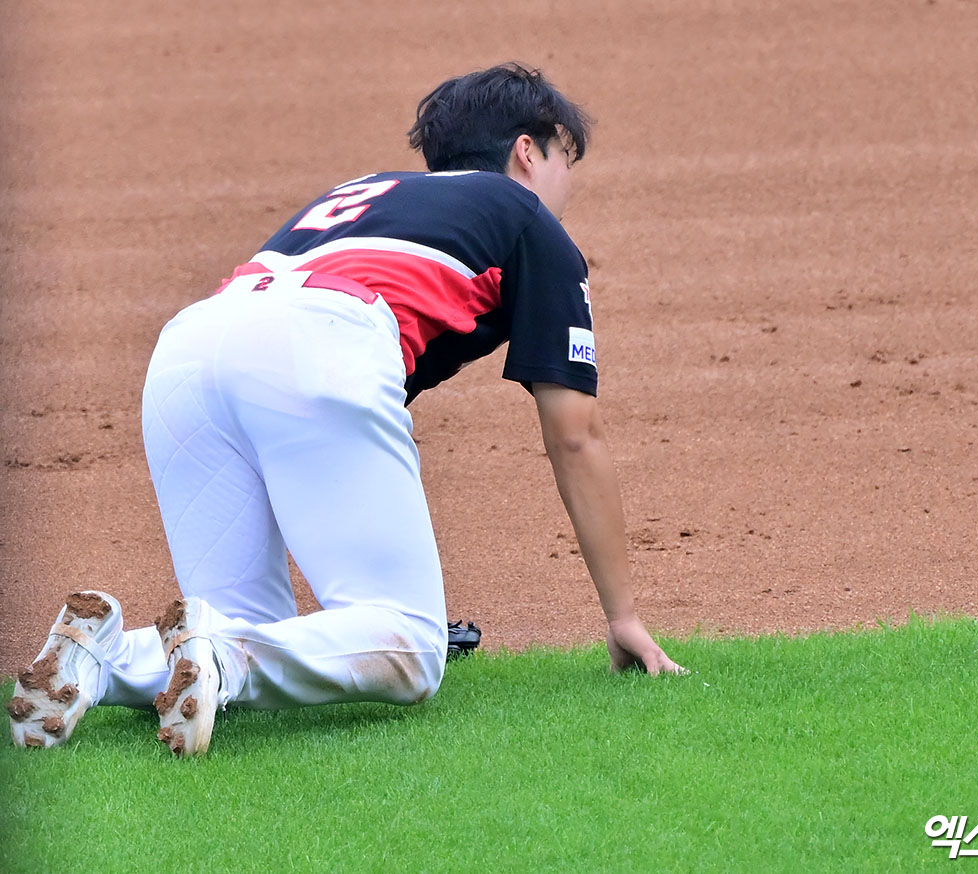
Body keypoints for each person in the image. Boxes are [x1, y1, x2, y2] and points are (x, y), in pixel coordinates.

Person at [7, 62, 685, 757]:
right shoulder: (526, 217)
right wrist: (623, 617)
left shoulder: (365, 193)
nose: (568, 183)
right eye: (566, 158)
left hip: (188, 350)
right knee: (412, 645)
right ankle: (222, 657)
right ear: (527, 151)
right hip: (318, 340)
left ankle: (98, 658)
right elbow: (575, 436)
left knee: (246, 626)